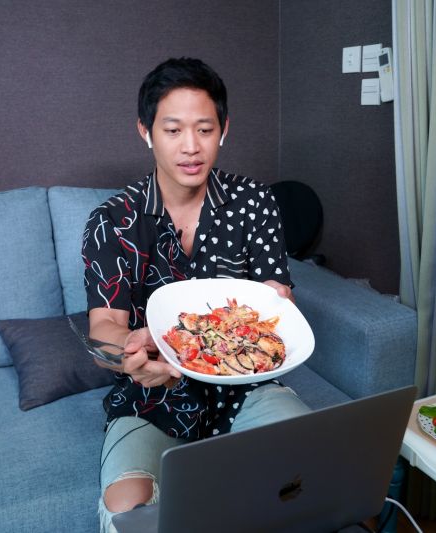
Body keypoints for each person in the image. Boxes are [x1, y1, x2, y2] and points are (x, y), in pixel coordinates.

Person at [81, 57, 311, 532]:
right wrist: (129, 356)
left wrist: (278, 301)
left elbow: (275, 301)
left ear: (223, 129)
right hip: (151, 397)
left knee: (306, 469)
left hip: (244, 387)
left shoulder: (254, 202)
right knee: (127, 509)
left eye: (205, 130)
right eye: (173, 130)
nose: (191, 147)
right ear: (145, 132)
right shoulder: (113, 220)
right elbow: (103, 330)